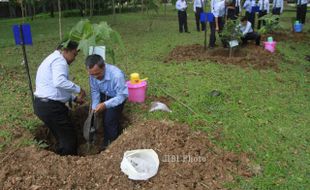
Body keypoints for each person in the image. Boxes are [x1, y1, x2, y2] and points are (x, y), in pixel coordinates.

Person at [34, 41, 86, 156]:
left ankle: (62, 155)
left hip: (42, 104)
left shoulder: (53, 58)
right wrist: (79, 89)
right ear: (65, 51)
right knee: (69, 140)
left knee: (62, 136)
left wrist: (74, 99)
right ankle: (69, 162)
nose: (74, 58)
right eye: (74, 54)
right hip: (51, 107)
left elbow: (54, 87)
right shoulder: (60, 61)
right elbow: (59, 82)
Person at [85, 54, 128, 150]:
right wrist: (94, 106)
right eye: (92, 74)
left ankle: (111, 143)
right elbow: (95, 91)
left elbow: (121, 96)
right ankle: (99, 136)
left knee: (109, 120)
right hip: (104, 94)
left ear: (104, 67)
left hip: (116, 97)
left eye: (98, 73)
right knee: (98, 116)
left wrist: (105, 104)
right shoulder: (92, 75)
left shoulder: (117, 75)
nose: (95, 77)